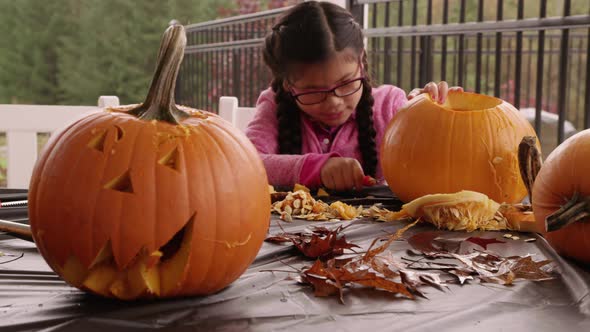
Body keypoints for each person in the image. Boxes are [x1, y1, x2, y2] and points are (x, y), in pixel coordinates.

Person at [245, 1, 462, 191]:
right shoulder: (273, 104)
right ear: (287, 84)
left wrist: (432, 118)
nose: (334, 102)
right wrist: (316, 168)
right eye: (313, 91)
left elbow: (434, 163)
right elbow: (247, 163)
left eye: (346, 83)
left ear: (361, 63)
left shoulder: (389, 105)